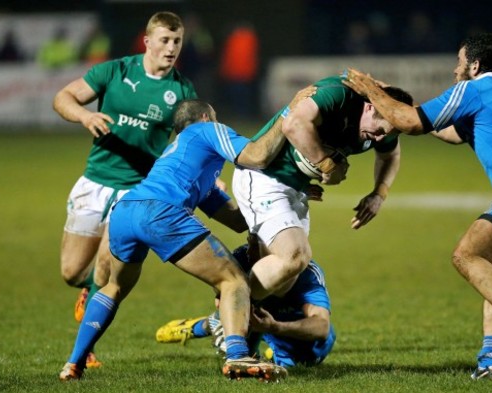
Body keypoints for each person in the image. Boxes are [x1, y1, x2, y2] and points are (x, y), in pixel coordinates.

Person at [342, 33, 492, 380]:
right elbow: (446, 130)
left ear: (475, 65)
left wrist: (372, 92)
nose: (455, 70)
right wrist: (393, 100)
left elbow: (413, 123)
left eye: (459, 61)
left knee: (465, 256)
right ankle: (489, 363)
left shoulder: (475, 89)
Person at [58, 86, 316, 382]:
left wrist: (291, 193)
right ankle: (236, 357)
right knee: (233, 280)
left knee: (113, 287)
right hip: (160, 211)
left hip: (126, 211)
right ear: (206, 117)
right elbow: (256, 155)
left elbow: (236, 220)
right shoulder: (206, 130)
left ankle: (73, 364)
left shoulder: (183, 162)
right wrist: (289, 112)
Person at [52, 11, 197, 368]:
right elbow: (64, 97)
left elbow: (191, 142)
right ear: (147, 41)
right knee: (72, 272)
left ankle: (84, 349)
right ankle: (87, 289)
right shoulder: (115, 71)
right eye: (164, 40)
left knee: (106, 269)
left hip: (137, 194)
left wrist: (204, 178)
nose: (171, 48)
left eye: (177, 41)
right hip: (95, 182)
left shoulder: (181, 90)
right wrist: (85, 116)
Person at [232, 75, 413, 307]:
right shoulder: (338, 94)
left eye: (385, 135)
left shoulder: (384, 123)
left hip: (296, 189)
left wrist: (379, 193)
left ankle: (229, 320)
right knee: (294, 256)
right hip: (264, 178)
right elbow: (292, 125)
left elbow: (390, 155)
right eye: (378, 131)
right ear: (369, 107)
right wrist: (328, 163)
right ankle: (227, 311)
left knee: (284, 282)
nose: (379, 138)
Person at [155, 240, 336, 368]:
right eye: (251, 240)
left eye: (259, 243)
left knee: (305, 361)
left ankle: (207, 325)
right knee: (243, 354)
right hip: (257, 318)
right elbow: (221, 299)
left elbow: (322, 327)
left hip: (290, 329)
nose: (251, 249)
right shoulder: (243, 256)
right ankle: (203, 326)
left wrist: (275, 327)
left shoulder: (306, 272)